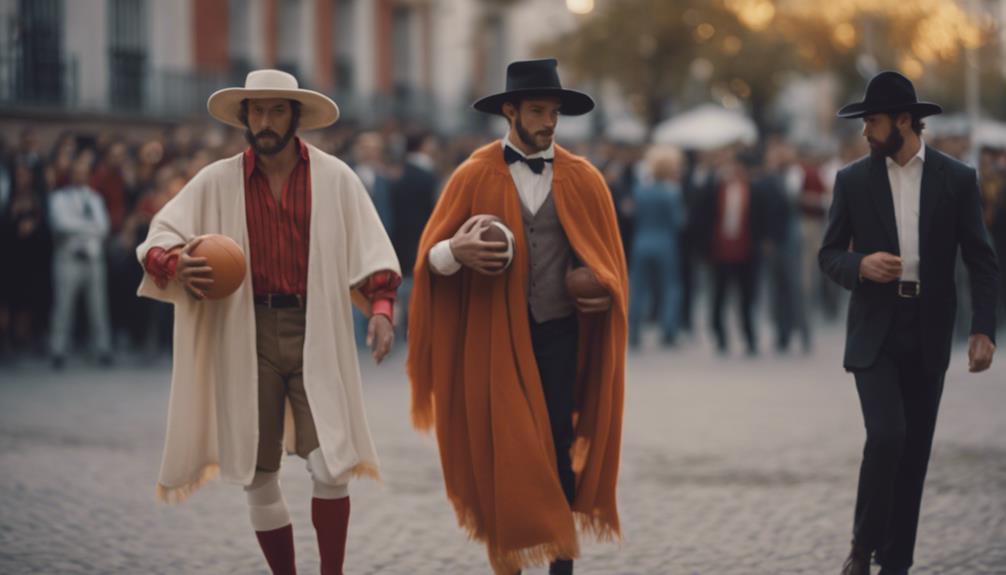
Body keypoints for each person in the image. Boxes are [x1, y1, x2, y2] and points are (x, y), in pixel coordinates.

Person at [135, 69, 401, 575]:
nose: (266, 120)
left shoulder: (335, 176)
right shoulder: (216, 179)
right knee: (259, 475)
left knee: (330, 466)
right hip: (245, 334)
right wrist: (175, 263)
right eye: (257, 110)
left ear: (296, 117)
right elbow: (158, 236)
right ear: (244, 117)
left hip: (314, 330)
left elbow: (372, 252)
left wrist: (382, 314)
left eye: (278, 110)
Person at [407, 58, 627, 574]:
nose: (548, 121)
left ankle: (561, 562)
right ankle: (508, 561)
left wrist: (602, 289)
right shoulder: (472, 174)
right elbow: (429, 258)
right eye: (536, 110)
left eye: (553, 112)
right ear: (510, 111)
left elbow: (610, 261)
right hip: (491, 337)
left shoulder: (585, 178)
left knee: (556, 443)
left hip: (558, 331)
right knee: (504, 449)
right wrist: (454, 253)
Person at [820, 71, 999, 575]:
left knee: (914, 453)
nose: (865, 131)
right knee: (887, 437)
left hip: (928, 329)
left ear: (904, 122)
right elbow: (829, 255)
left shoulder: (957, 179)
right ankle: (863, 544)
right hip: (874, 328)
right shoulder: (852, 180)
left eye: (872, 122)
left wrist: (983, 329)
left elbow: (981, 261)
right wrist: (860, 266)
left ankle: (896, 563)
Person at [48, 153, 112, 368]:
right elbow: (61, 224)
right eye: (77, 173)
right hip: (69, 258)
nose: (80, 176)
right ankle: (58, 350)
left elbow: (103, 228)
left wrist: (81, 227)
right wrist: (88, 227)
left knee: (98, 307)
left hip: (93, 258)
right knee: (63, 306)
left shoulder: (95, 198)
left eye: (84, 173)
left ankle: (103, 349)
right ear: (71, 175)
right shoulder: (59, 198)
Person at [628, 145, 686, 348]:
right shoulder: (671, 193)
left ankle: (633, 328)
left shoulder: (640, 190)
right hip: (665, 243)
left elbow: (632, 215)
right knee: (670, 287)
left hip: (641, 242)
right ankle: (668, 330)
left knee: (638, 288)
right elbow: (679, 221)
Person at [389, 130, 439, 340]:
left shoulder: (399, 173)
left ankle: (403, 328)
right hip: (424, 236)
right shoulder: (427, 174)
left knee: (405, 284)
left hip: (400, 237)